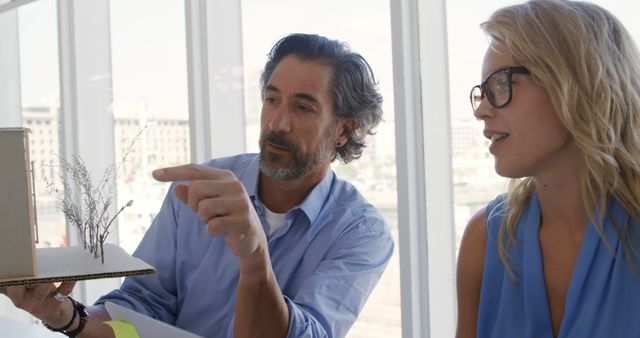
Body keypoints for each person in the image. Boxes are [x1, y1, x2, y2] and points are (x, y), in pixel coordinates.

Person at [1, 33, 394, 338]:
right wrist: (66, 316)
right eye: (271, 99)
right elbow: (140, 310)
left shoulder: (361, 232)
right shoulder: (198, 189)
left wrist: (255, 258)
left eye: (303, 107)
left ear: (345, 129)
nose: (277, 122)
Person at [456, 1, 640, 337]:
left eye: (500, 84)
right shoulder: (484, 239)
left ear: (574, 82)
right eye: (481, 93)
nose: (481, 110)